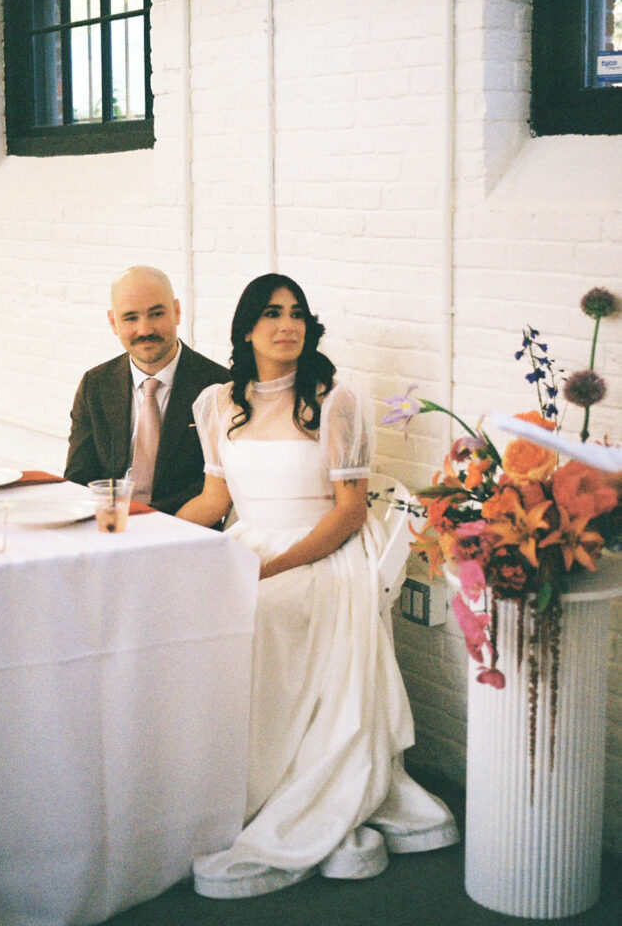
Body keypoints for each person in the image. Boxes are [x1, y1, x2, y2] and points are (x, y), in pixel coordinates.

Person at [176, 273, 459, 899]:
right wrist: (156, 539)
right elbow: (214, 498)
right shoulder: (219, 402)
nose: (288, 325)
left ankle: (282, 781)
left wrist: (270, 568)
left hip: (321, 553)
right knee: (186, 616)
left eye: (298, 313)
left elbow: (349, 513)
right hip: (248, 542)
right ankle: (213, 781)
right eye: (273, 314)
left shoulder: (334, 401)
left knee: (264, 609)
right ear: (246, 328)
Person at [64, 266, 228, 514]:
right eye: (131, 318)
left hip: (184, 529)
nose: (145, 330)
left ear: (176, 312)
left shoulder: (219, 385)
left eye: (156, 314)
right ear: (113, 322)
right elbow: (79, 477)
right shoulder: (95, 384)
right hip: (110, 525)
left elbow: (213, 490)